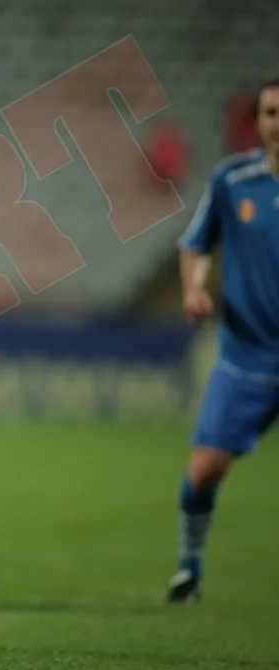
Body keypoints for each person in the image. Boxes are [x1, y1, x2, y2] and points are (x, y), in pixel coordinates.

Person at [168, 77, 279, 603]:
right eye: (271, 113)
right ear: (257, 121)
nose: (278, 123)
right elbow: (196, 243)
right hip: (247, 354)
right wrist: (194, 287)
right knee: (206, 467)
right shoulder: (233, 179)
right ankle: (189, 569)